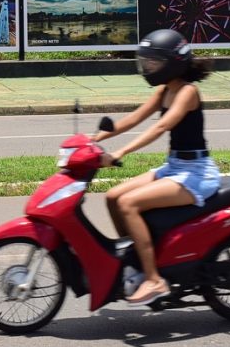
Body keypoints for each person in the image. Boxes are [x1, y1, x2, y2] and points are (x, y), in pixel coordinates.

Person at [94, 28, 221, 306]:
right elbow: (133, 119)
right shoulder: (165, 89)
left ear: (173, 62)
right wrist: (93, 139)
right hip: (175, 166)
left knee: (129, 203)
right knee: (113, 197)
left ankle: (154, 279)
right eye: (147, 61)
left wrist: (121, 151)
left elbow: (162, 126)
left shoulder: (188, 91)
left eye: (153, 61)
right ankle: (137, 261)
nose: (148, 67)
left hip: (195, 173)